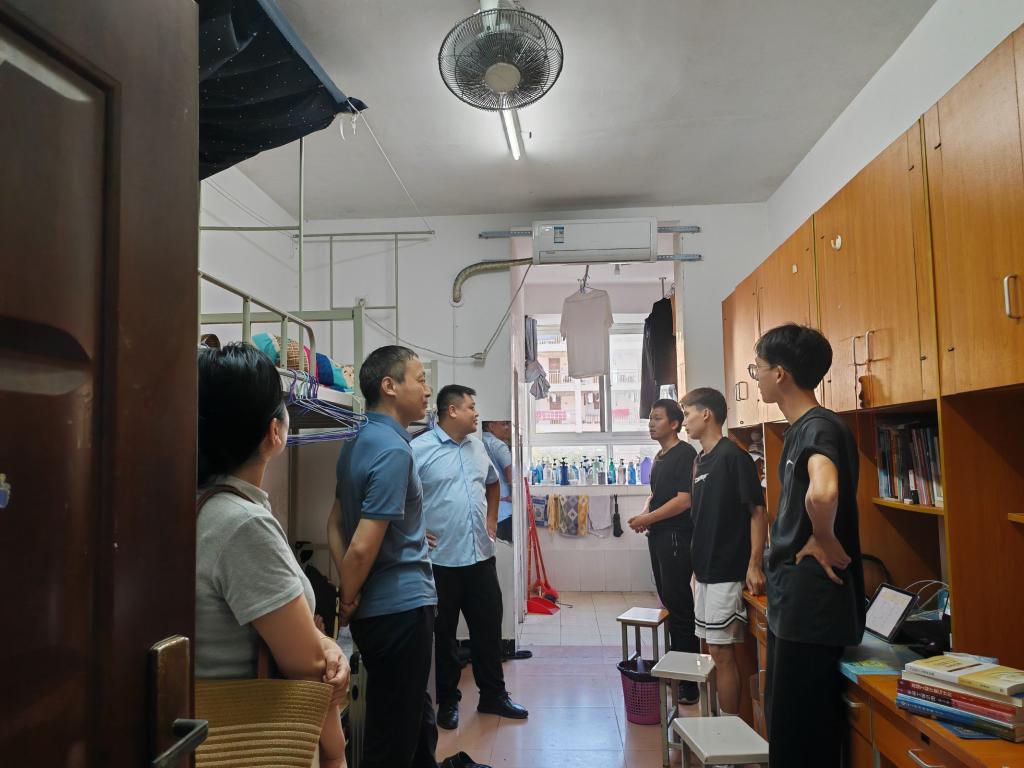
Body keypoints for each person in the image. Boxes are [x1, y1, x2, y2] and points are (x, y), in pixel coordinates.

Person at [195, 343, 349, 768]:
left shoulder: (197, 505)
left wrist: (323, 642)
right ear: (274, 433)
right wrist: (336, 755)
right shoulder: (242, 525)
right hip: (250, 737)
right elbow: (307, 668)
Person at [751, 324, 865, 768]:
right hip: (795, 604)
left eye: (757, 368)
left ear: (780, 373)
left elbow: (824, 491)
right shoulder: (801, 428)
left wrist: (824, 537)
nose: (756, 378)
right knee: (787, 727)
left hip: (811, 609)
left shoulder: (819, 427)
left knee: (802, 739)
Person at [327, 346, 437, 768]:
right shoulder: (393, 450)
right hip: (400, 610)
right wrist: (346, 599)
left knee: (413, 718)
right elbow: (361, 546)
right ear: (389, 386)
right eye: (420, 380)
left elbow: (334, 524)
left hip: (379, 610)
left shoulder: (356, 441)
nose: (427, 390)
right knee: (391, 740)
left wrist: (350, 590)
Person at [413, 387, 528, 730]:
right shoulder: (418, 449)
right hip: (441, 561)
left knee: (488, 630)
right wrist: (414, 531)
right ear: (452, 411)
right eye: (471, 407)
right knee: (444, 635)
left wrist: (491, 519)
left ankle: (493, 696)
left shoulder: (477, 447)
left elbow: (493, 483)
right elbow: (399, 497)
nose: (477, 414)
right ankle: (448, 701)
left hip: (480, 557)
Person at [679, 387, 768, 717]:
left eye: (687, 414)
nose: (684, 422)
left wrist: (754, 564)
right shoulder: (699, 460)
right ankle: (717, 724)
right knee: (710, 652)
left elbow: (758, 512)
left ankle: (730, 730)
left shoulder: (734, 457)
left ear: (706, 414)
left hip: (726, 571)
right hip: (703, 571)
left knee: (722, 653)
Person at [627, 397, 701, 704]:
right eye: (650, 419)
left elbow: (684, 500)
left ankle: (689, 683)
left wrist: (648, 519)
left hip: (676, 538)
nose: (651, 424)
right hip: (658, 536)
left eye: (657, 418)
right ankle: (676, 670)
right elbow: (657, 495)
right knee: (669, 603)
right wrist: (645, 514)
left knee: (680, 608)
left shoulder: (685, 453)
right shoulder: (660, 456)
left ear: (674, 423)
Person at [481, 420, 515, 543]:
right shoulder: (497, 444)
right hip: (504, 509)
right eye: (503, 424)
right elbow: (510, 470)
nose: (506, 428)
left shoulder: (479, 441)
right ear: (491, 426)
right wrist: (513, 494)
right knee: (506, 546)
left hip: (487, 508)